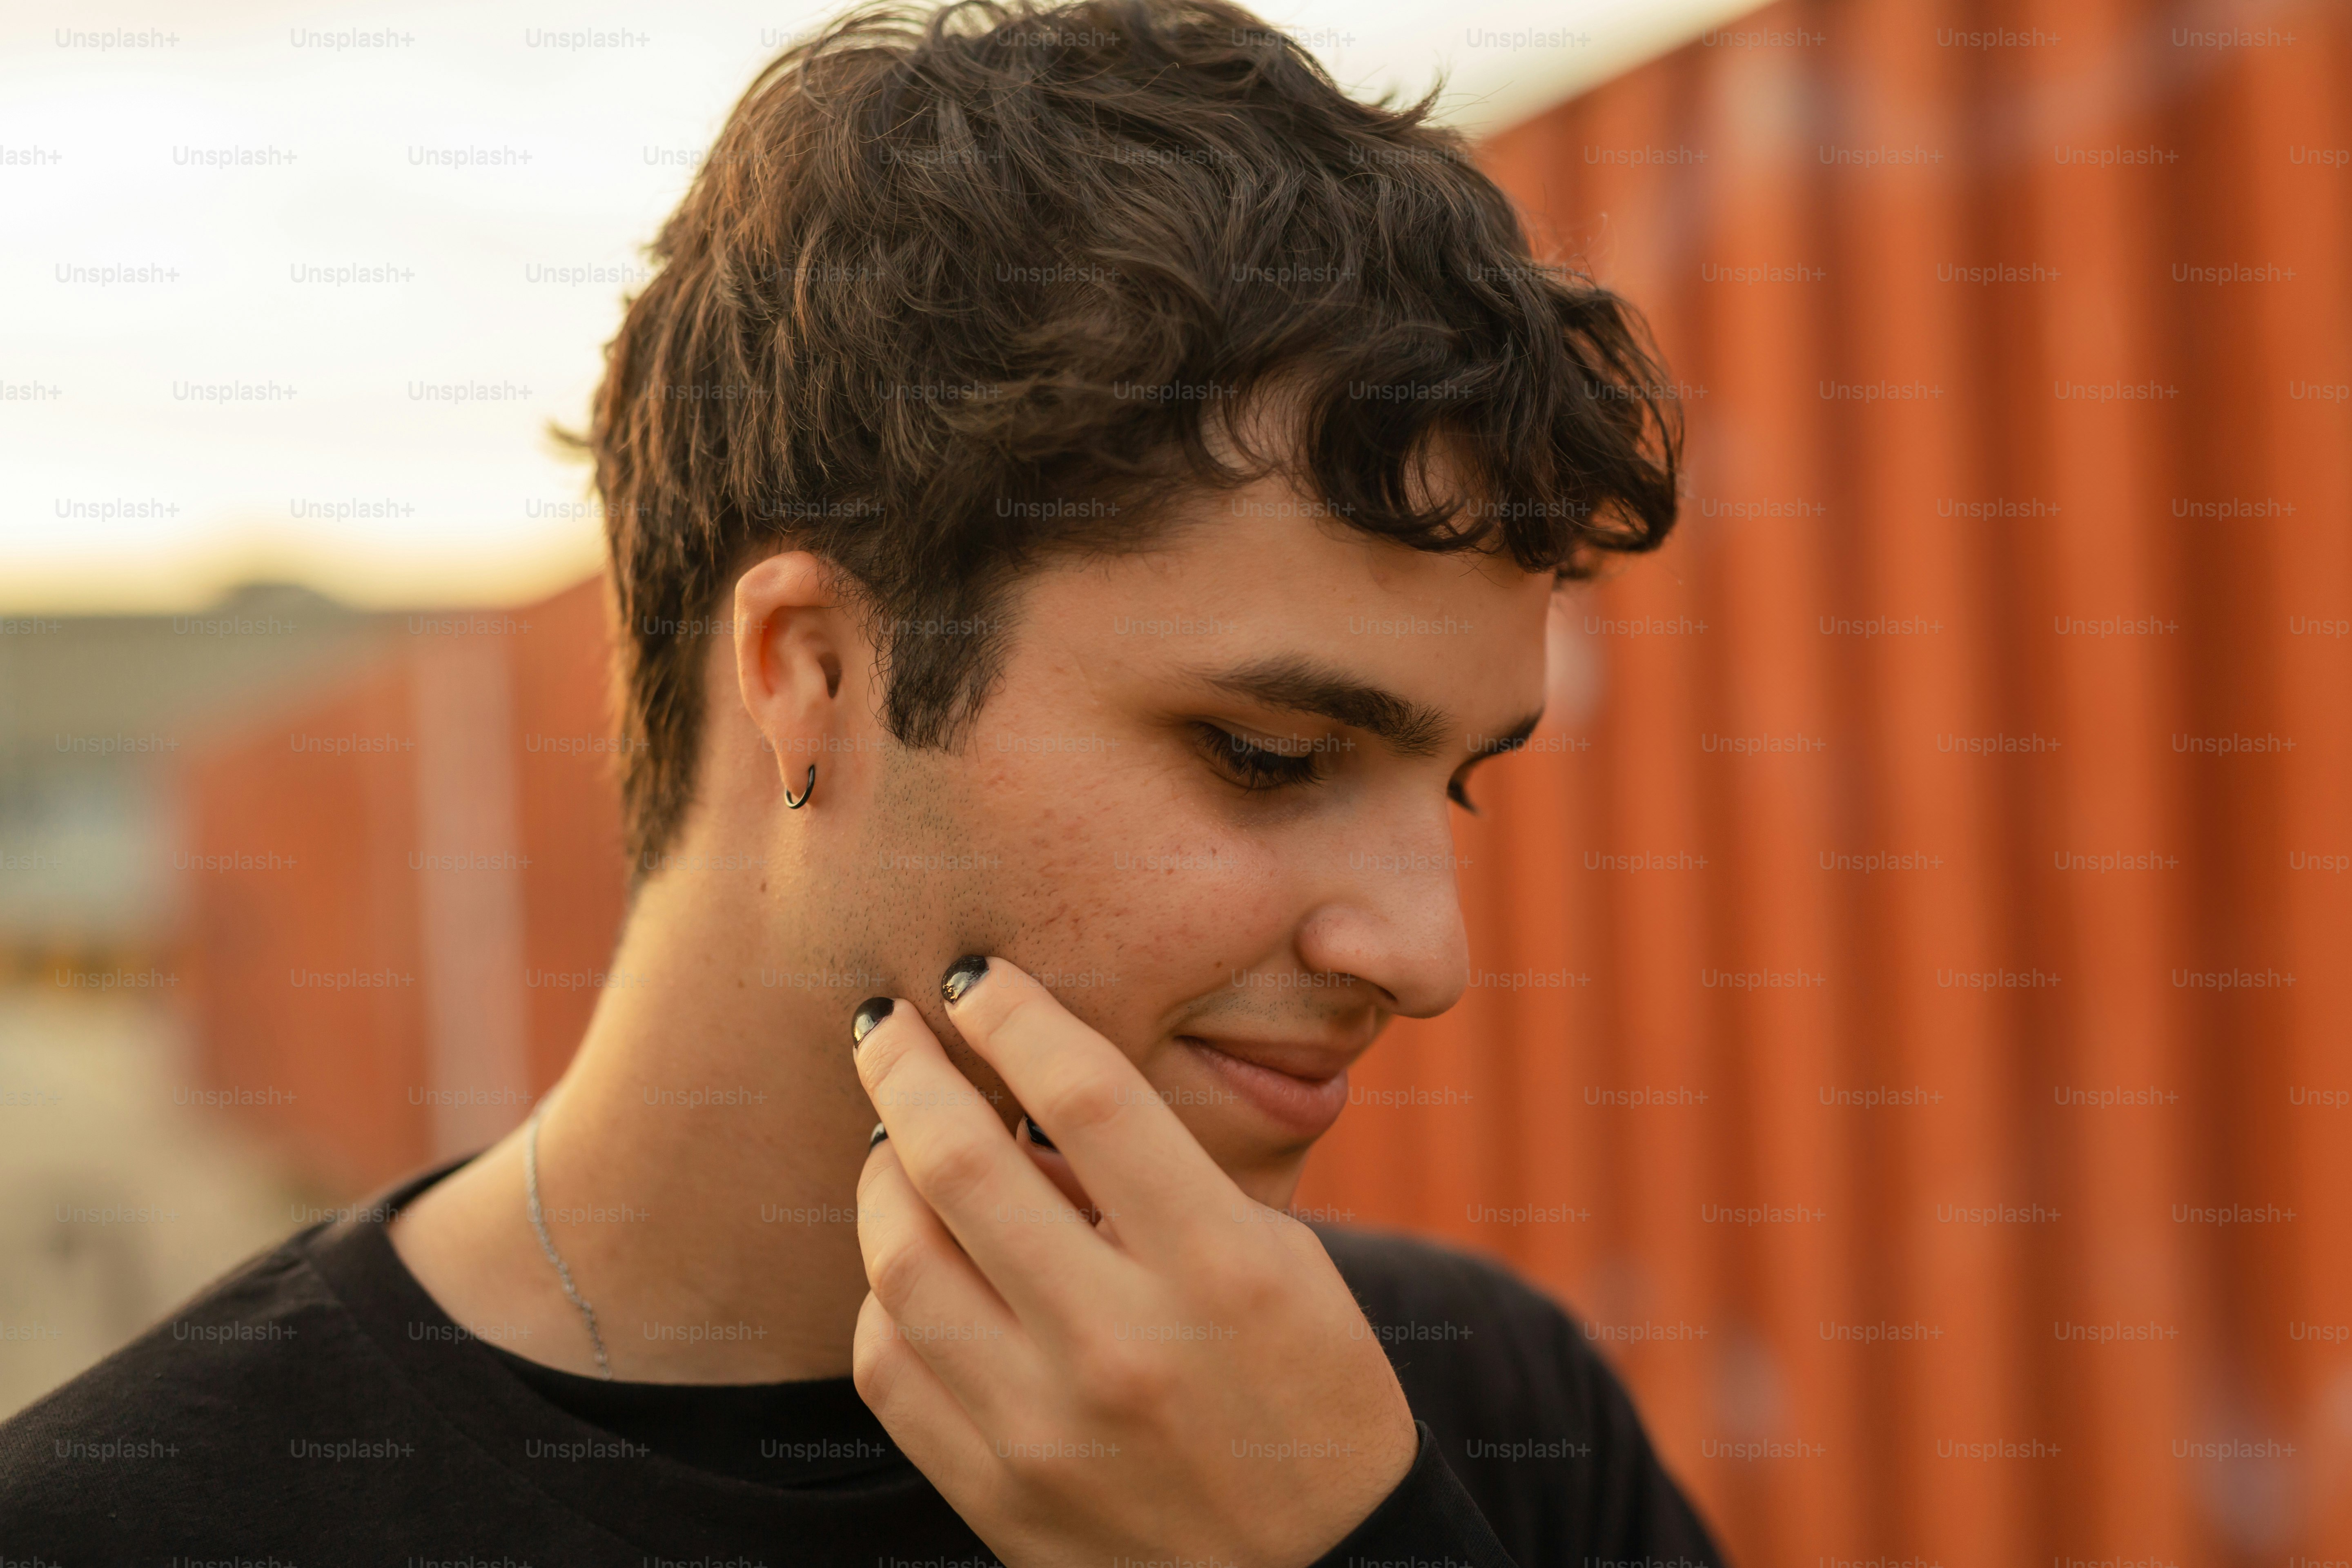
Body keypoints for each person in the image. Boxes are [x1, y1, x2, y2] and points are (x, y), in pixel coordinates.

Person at [0, 2, 1717, 1563]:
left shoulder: (1481, 1420)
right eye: (1269, 757)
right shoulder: (133, 1524)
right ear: (808, 675)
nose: (1426, 958)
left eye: (1457, 785)